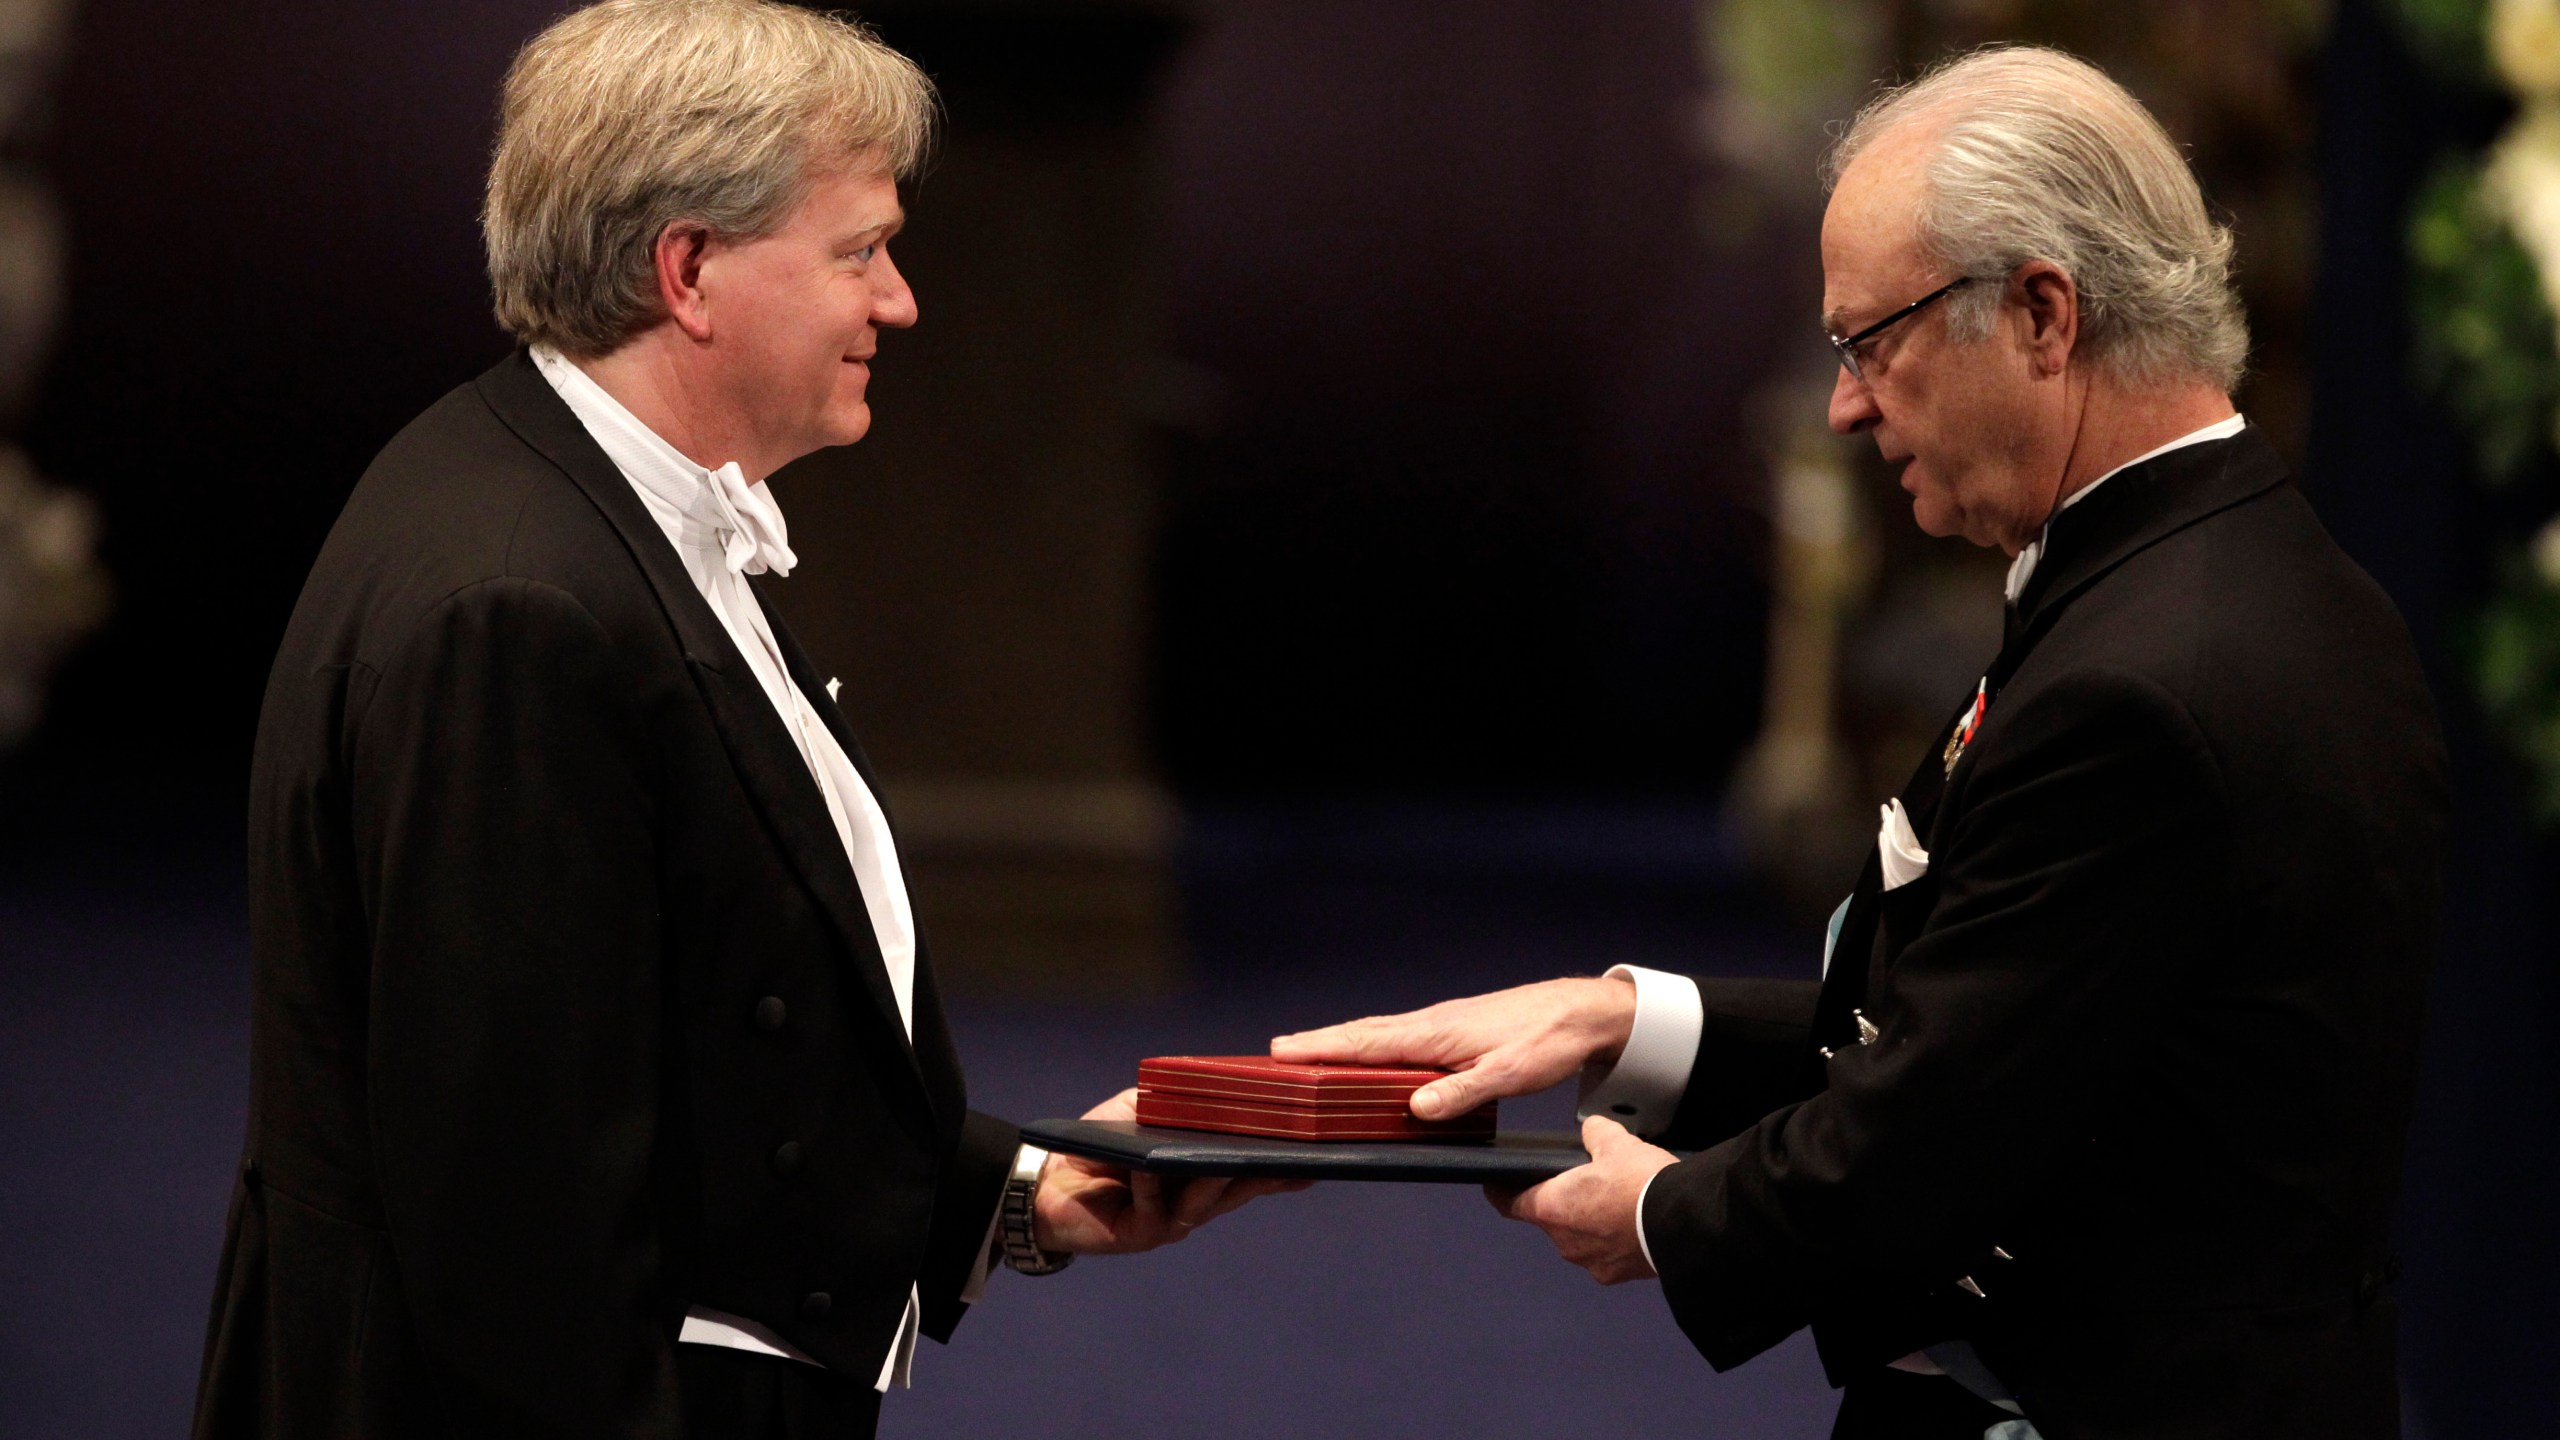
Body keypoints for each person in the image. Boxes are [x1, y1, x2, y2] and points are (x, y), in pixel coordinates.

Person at [1275, 45, 2446, 1440]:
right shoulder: (2238, 578)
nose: (1843, 405)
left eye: (1869, 342)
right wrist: (1619, 1019)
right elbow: (2016, 1012)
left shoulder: (2146, 675)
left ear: (2042, 316)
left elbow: (1934, 1131)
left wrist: (1660, 1208)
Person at [193, 4, 1295, 1436]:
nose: (898, 300)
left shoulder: (622, 507)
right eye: (860, 252)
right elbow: (514, 1227)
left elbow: (698, 1030)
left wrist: (1013, 1197)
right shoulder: (520, 608)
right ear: (691, 270)